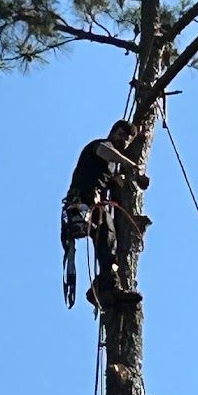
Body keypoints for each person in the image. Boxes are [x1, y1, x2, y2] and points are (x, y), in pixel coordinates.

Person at [62, 120, 146, 309]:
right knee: (108, 238)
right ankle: (110, 287)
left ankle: (101, 286)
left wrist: (131, 179)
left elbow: (116, 181)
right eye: (121, 134)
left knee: (108, 245)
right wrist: (132, 165)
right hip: (86, 201)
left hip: (92, 205)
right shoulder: (100, 145)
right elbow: (105, 151)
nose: (123, 140)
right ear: (112, 132)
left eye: (127, 139)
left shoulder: (113, 165)